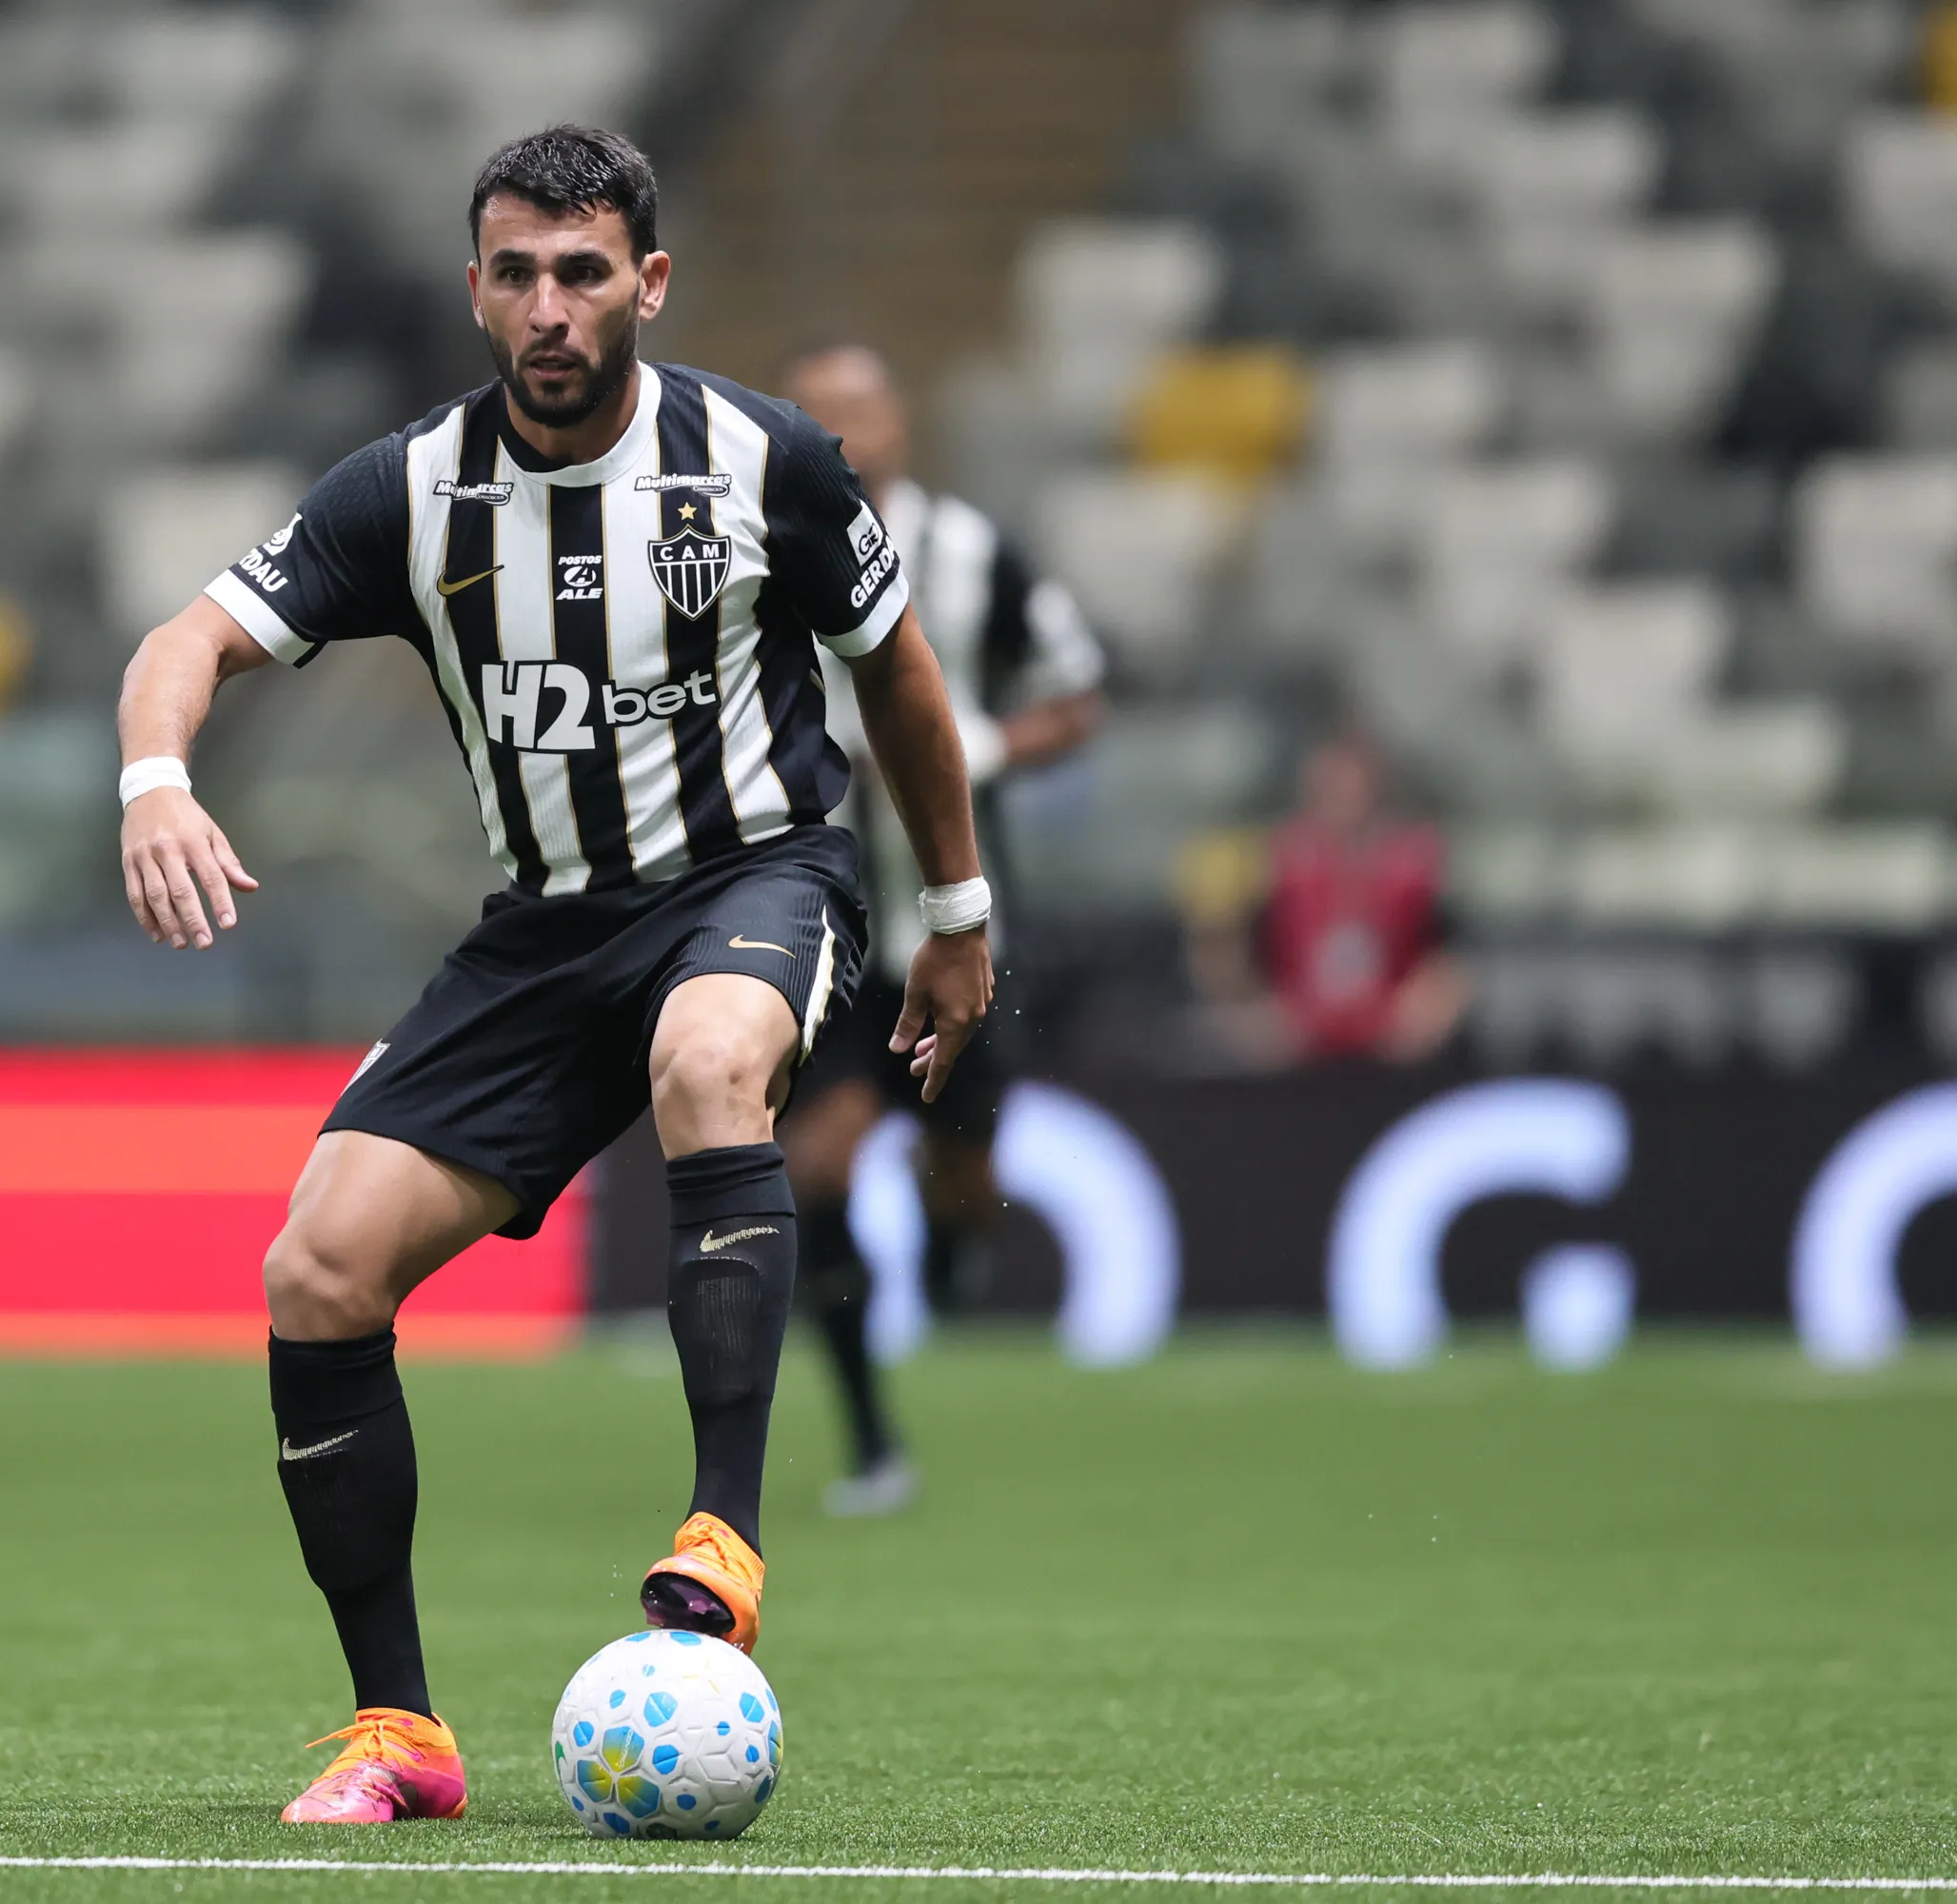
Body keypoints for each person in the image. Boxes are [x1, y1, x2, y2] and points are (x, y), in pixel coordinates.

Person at [115, 128, 992, 1825]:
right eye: (515, 272)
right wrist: (158, 778)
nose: (550, 308)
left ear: (648, 283)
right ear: (475, 290)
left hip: (755, 874)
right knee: (317, 1270)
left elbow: (898, 675)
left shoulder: (766, 461)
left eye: (584, 272)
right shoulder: (409, 492)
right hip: (540, 936)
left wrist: (954, 905)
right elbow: (189, 642)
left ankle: (720, 1532)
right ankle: (399, 1735)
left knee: (708, 1069)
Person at [776, 345, 1108, 1517]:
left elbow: (1081, 688)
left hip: (962, 930)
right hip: (826, 933)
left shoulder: (969, 556)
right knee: (810, 1168)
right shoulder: (745, 562)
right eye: (816, 417)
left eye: (859, 412)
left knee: (961, 1180)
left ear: (900, 424)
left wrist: (983, 745)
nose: (842, 437)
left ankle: (948, 1241)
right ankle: (873, 1440)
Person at [1184, 729, 1467, 1067]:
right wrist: (1246, 1010)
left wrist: (1430, 1007)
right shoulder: (1271, 859)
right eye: (1333, 785)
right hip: (1295, 1049)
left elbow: (1451, 958)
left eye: (1355, 785)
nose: (1345, 797)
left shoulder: (1418, 861)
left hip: (1392, 1050)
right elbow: (1220, 950)